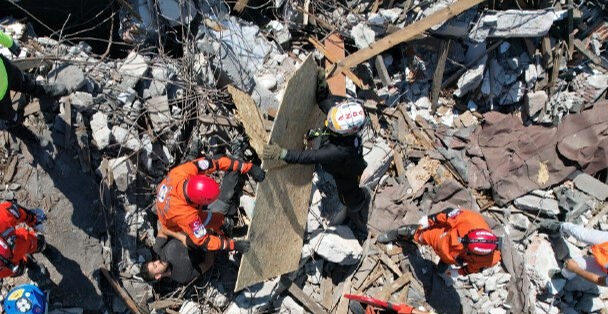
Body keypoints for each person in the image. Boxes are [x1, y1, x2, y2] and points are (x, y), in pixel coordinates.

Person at [261, 71, 369, 235]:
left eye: (331, 124)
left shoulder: (336, 152)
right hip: (353, 159)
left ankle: (360, 206)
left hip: (347, 175)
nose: (328, 122)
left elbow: (308, 157)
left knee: (348, 198)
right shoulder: (342, 123)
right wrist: (322, 87)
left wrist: (281, 153)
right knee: (326, 133)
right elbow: (327, 103)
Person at [155, 155, 264, 254]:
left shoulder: (185, 171)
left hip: (173, 199)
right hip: (173, 221)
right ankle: (226, 231)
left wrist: (248, 167)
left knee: (221, 219)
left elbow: (215, 162)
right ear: (200, 203)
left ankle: (225, 227)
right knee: (217, 222)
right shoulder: (188, 217)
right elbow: (204, 241)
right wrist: (233, 245)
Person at [377, 208, 501, 278]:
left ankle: (444, 262)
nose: (462, 241)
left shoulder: (491, 260)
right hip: (443, 237)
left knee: (443, 267)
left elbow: (474, 268)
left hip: (453, 257)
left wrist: (459, 272)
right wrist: (430, 219)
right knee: (419, 236)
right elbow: (447, 214)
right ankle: (397, 234)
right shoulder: (471, 219)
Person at [539, 220, 608, 287]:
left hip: (604, 267)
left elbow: (599, 280)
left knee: (574, 265)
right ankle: (560, 226)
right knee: (582, 235)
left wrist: (575, 269)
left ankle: (564, 274)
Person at [141, 233, 215, 285]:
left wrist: (182, 238)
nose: (158, 261)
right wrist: (209, 243)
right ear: (158, 276)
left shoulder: (158, 249)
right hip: (208, 240)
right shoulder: (183, 277)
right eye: (155, 266)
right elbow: (207, 264)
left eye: (154, 262)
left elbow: (164, 229)